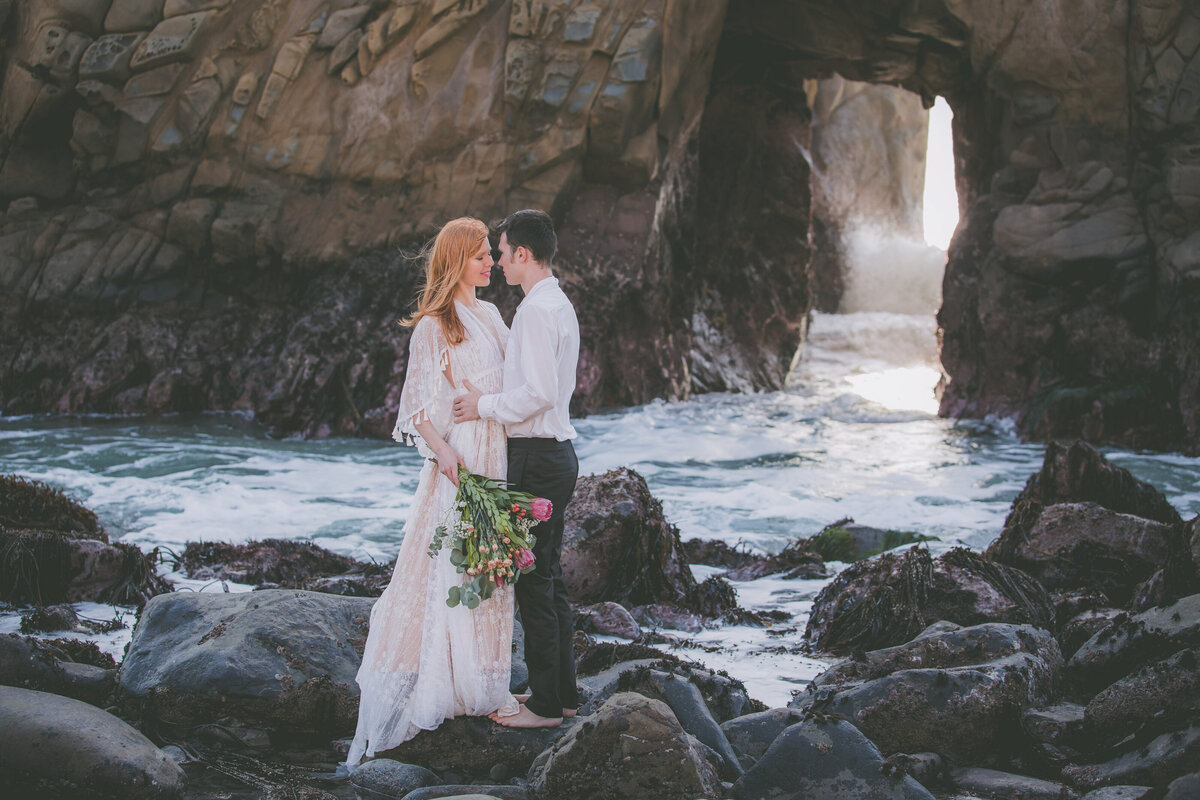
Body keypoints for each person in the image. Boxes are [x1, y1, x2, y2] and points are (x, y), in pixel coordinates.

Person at [346, 218, 518, 767]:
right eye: (480, 255)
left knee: (489, 567)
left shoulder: (491, 315)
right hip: (462, 458)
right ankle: (447, 685)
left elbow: (516, 382)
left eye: (491, 253)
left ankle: (484, 683)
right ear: (455, 261)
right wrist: (446, 455)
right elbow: (418, 408)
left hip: (497, 449)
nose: (490, 262)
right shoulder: (434, 325)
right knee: (454, 565)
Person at [452, 209, 580, 729]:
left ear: (522, 254)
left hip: (538, 456)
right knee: (549, 579)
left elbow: (538, 395)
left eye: (502, 252)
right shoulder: (558, 303)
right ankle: (561, 695)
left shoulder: (533, 312)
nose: (499, 262)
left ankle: (547, 707)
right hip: (556, 454)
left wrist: (482, 405)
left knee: (533, 580)